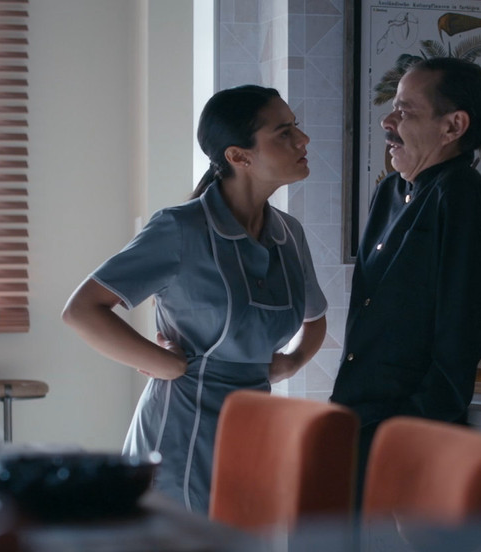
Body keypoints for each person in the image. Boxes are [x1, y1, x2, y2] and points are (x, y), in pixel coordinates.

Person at [63, 85, 327, 514]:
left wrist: (293, 361)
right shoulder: (180, 229)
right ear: (238, 156)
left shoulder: (289, 234)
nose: (303, 139)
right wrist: (163, 363)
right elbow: (81, 310)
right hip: (178, 436)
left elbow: (315, 318)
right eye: (284, 133)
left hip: (252, 434)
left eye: (295, 126)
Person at [330, 57, 481, 500]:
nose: (388, 122)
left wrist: (410, 435)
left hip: (404, 434)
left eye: (406, 111)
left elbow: (462, 337)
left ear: (453, 126)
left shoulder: (462, 198)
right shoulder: (389, 192)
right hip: (357, 418)